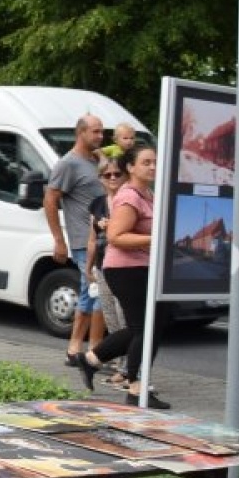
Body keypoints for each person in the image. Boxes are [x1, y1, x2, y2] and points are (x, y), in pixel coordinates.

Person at [75, 144, 171, 408]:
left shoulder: (148, 194)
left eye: (155, 162)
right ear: (130, 167)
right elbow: (116, 236)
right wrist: (155, 238)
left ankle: (91, 360)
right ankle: (136, 390)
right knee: (145, 329)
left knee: (145, 327)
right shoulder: (129, 196)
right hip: (126, 269)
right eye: (146, 162)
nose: (153, 167)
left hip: (142, 267)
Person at [45, 114, 106, 366]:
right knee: (98, 293)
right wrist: (59, 240)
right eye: (96, 132)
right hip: (83, 240)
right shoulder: (68, 164)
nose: (101, 136)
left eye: (102, 131)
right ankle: (95, 352)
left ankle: (75, 349)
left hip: (104, 239)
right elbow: (50, 200)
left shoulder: (97, 160)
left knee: (90, 293)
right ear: (80, 133)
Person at [81, 154, 128, 389]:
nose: (112, 178)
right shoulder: (98, 204)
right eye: (106, 175)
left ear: (125, 175)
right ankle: (122, 368)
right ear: (100, 178)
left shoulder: (127, 202)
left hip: (123, 268)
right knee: (111, 319)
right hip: (103, 267)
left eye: (117, 174)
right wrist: (88, 266)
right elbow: (92, 239)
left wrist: (113, 228)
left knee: (125, 318)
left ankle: (130, 370)